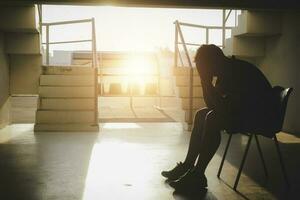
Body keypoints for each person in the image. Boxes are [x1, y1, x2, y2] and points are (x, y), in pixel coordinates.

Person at [161, 44, 278, 192]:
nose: (205, 73)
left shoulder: (239, 72)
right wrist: (205, 82)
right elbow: (212, 105)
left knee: (212, 118)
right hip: (248, 113)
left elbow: (222, 109)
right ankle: (188, 165)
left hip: (261, 118)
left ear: (214, 62)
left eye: (205, 68)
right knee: (202, 114)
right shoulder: (226, 72)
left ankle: (198, 174)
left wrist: (206, 81)